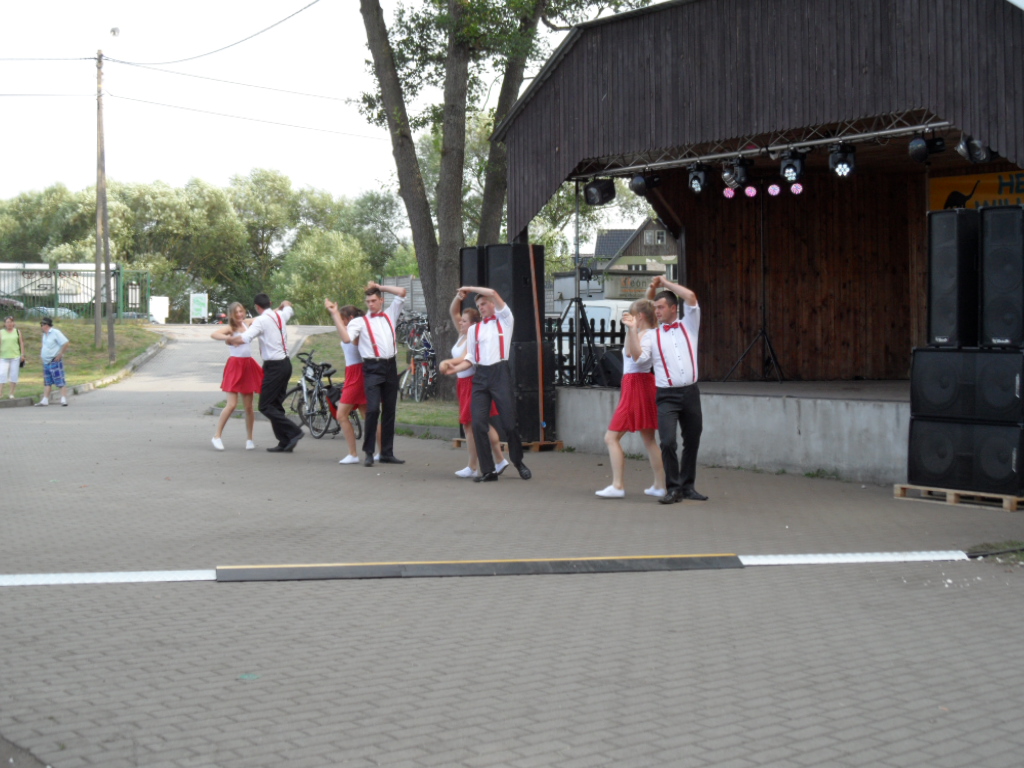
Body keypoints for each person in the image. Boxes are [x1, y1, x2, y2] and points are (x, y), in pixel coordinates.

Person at [634, 275, 707, 504]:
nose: (657, 311)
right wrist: (632, 333)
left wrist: (665, 284)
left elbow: (691, 297)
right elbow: (641, 359)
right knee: (667, 441)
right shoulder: (652, 334)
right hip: (666, 395)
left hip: (690, 392)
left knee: (692, 439)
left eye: (661, 307)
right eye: (655, 308)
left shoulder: (689, 325)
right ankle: (673, 488)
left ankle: (688, 486)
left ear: (674, 308)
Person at [331, 282, 407, 467]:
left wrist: (381, 286)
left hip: (390, 366)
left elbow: (402, 292)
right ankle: (369, 452)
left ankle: (386, 453)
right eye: (368, 301)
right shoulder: (359, 322)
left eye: (374, 300)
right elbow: (347, 339)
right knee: (372, 409)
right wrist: (334, 315)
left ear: (381, 300)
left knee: (389, 411)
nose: (371, 304)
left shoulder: (390, 314)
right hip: (372, 367)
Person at [460, 285, 531, 482]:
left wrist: (469, 288)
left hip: (500, 372)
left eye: (484, 304)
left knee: (509, 423)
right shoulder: (474, 330)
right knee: (478, 423)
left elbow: (492, 292)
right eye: (479, 305)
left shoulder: (505, 321)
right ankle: (488, 470)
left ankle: (518, 462)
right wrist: (453, 368)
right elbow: (471, 357)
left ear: (493, 304)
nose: (481, 308)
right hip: (481, 375)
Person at [596, 298, 666, 498]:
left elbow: (636, 356)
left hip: (636, 384)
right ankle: (660, 485)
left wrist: (633, 329)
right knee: (649, 439)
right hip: (640, 383)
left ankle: (618, 485)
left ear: (640, 316)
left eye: (633, 314)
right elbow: (628, 351)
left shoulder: (648, 335)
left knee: (611, 438)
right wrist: (631, 329)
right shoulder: (648, 332)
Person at [438, 291, 508, 479]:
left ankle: (473, 465)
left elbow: (465, 358)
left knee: (472, 426)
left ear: (472, 324)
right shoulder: (462, 334)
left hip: (471, 383)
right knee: (478, 425)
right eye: (461, 321)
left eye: (464, 321)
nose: (460, 323)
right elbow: (453, 312)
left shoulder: (474, 335)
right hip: (463, 383)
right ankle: (499, 460)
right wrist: (459, 297)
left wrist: (447, 363)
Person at [227, 294, 303, 453]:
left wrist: (230, 340)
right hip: (286, 364)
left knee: (265, 405)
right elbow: (288, 306)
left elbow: (245, 338)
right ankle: (285, 441)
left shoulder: (261, 321)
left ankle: (294, 431)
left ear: (257, 307)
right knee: (275, 404)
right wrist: (284, 304)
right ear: (270, 303)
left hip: (274, 366)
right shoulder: (280, 315)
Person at [324, 300, 381, 464]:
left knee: (341, 414)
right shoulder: (354, 329)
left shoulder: (356, 331)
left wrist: (334, 313)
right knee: (367, 415)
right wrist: (335, 314)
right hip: (355, 372)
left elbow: (352, 341)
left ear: (350, 318)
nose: (341, 323)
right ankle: (382, 451)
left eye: (343, 319)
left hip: (357, 374)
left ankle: (353, 454)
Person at [209, 302, 262, 451]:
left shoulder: (247, 323)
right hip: (235, 366)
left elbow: (264, 316)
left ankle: (249, 439)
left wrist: (280, 308)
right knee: (231, 405)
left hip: (248, 365)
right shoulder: (230, 328)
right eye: (236, 312)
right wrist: (230, 339)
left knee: (249, 407)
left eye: (241, 311)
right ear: (231, 314)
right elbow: (214, 334)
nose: (239, 314)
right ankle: (217, 436)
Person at [36, 316, 69, 407]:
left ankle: (63, 399)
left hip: (54, 361)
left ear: (47, 325)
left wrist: (61, 354)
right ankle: (45, 400)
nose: (41, 326)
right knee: (47, 381)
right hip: (46, 362)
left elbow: (65, 343)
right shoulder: (45, 335)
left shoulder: (55, 333)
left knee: (60, 380)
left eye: (42, 324)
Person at [0, 316, 26, 399]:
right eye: (7, 322)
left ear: (13, 323)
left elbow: (21, 343)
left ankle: (11, 393)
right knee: (2, 374)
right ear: (5, 323)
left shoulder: (17, 332)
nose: (9, 324)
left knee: (14, 375)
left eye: (11, 322)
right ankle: (0, 393)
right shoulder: (1, 332)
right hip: (3, 357)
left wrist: (22, 354)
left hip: (15, 357)